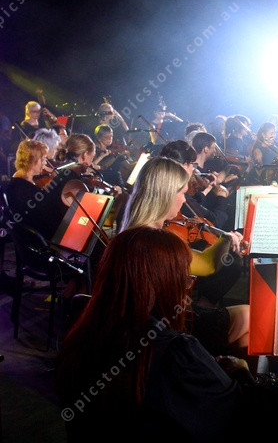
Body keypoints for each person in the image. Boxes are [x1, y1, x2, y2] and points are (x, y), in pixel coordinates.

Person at [54, 226, 250, 442]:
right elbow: (237, 415)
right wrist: (240, 372)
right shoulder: (174, 350)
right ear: (162, 283)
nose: (187, 286)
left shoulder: (80, 332)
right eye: (185, 278)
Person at [120, 156, 249, 356]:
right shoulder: (162, 242)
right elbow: (208, 265)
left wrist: (225, 238)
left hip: (140, 328)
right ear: (165, 195)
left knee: (246, 329)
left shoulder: (126, 234)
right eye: (181, 193)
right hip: (167, 331)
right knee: (249, 317)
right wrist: (226, 239)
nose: (183, 199)